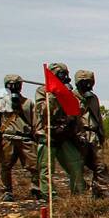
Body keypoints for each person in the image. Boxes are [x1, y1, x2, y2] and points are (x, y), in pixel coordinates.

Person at [34, 63, 87, 197]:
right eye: (62, 74)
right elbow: (43, 111)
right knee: (47, 168)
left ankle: (78, 194)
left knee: (76, 163)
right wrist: (54, 94)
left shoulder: (68, 92)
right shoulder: (43, 91)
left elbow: (76, 113)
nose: (65, 77)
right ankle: (49, 195)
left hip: (65, 135)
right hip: (47, 134)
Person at [0, 74, 41, 202]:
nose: (14, 87)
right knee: (5, 165)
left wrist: (39, 136)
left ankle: (36, 188)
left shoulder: (28, 103)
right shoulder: (0, 103)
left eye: (16, 85)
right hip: (7, 138)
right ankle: (7, 191)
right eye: (10, 85)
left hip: (25, 138)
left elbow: (35, 122)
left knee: (35, 165)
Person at [74, 70, 109, 199]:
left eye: (89, 82)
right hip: (79, 134)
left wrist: (102, 134)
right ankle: (79, 193)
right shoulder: (72, 97)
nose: (87, 85)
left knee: (100, 165)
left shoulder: (93, 98)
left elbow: (98, 117)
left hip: (94, 134)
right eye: (84, 82)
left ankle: (100, 190)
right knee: (79, 165)